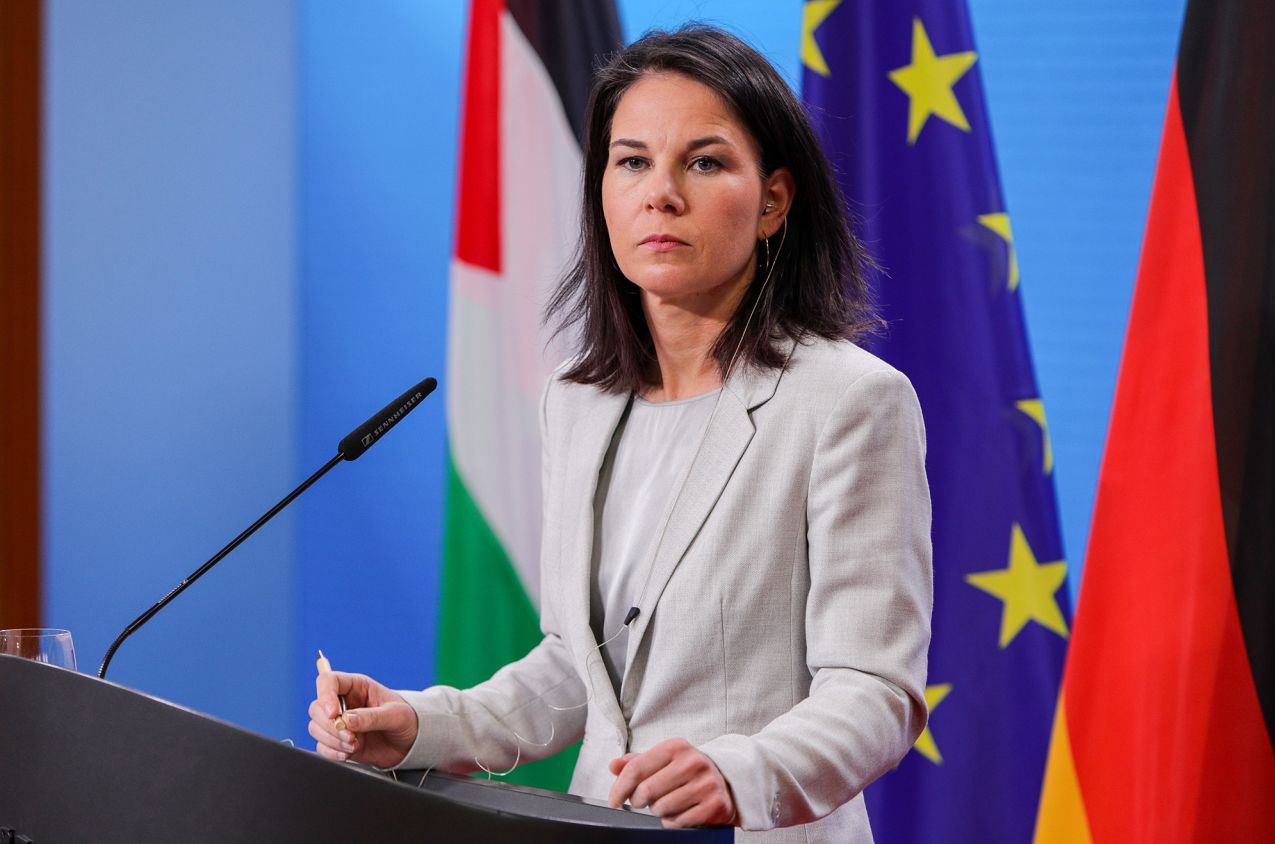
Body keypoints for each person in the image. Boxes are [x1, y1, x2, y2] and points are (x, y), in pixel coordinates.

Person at [309, 26, 931, 842]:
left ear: (774, 200)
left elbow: (875, 689)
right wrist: (424, 725)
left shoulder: (850, 402)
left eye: (703, 162)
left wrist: (742, 773)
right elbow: (583, 668)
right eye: (631, 161)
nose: (659, 195)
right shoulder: (578, 402)